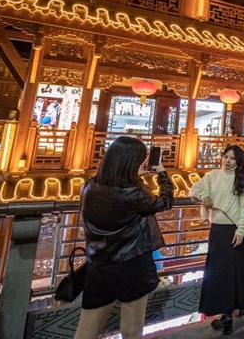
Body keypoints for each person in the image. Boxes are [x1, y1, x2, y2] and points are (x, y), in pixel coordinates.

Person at [75, 136, 174, 339]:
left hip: (98, 263)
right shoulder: (134, 194)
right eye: (142, 159)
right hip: (132, 264)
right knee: (132, 328)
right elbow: (166, 201)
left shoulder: (89, 187)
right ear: (132, 162)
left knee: (87, 328)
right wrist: (161, 172)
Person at [191, 145, 244, 335]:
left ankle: (228, 315)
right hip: (217, 230)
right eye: (225, 156)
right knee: (216, 273)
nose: (227, 161)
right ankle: (224, 315)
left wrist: (241, 230)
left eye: (232, 158)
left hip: (233, 231)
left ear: (239, 162)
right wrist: (204, 195)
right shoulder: (213, 175)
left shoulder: (242, 179)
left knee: (231, 274)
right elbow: (194, 188)